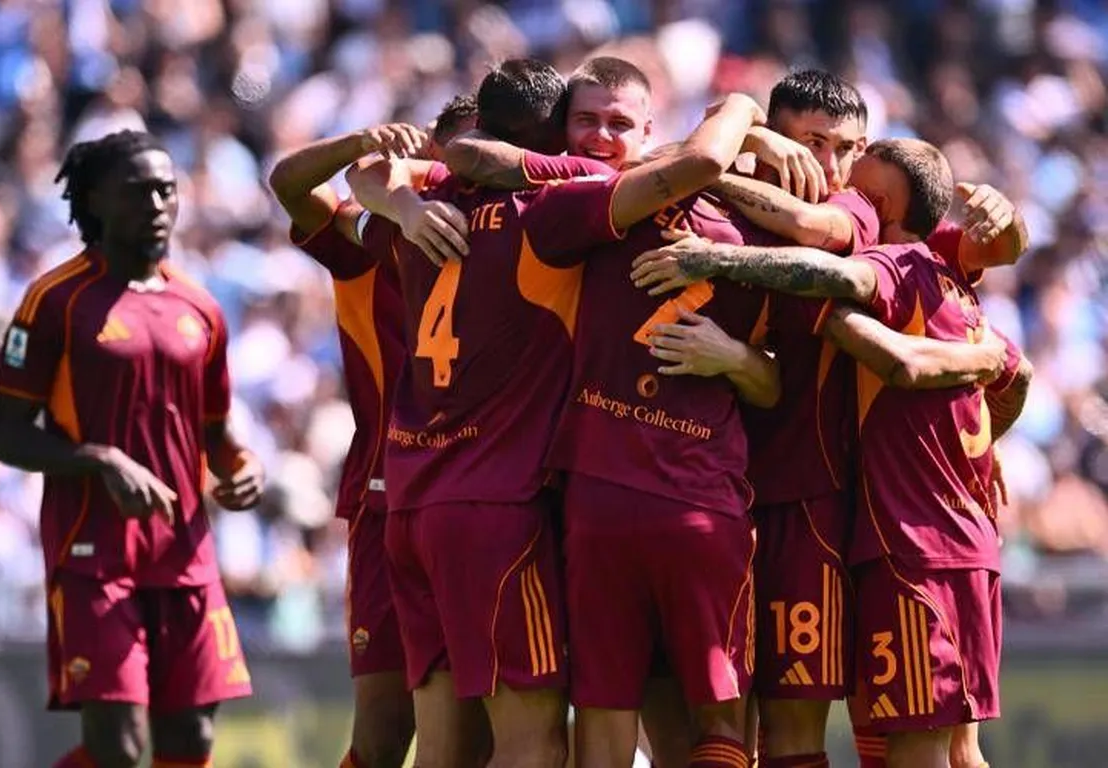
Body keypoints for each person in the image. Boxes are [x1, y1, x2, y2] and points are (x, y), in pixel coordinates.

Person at [346, 57, 766, 768]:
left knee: (448, 750)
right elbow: (695, 166)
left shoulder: (431, 195)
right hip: (499, 507)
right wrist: (743, 109)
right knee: (536, 744)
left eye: (615, 123)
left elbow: (365, 172)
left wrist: (404, 208)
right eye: (583, 122)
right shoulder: (552, 210)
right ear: (550, 138)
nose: (598, 139)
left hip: (415, 501)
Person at [631, 137, 1032, 768]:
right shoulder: (950, 278)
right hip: (948, 533)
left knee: (909, 740)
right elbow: (1017, 367)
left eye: (851, 163)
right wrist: (977, 440)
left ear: (878, 203)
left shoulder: (896, 263)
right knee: (953, 745)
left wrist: (716, 252)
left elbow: (893, 343)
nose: (833, 174)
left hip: (907, 538)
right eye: (815, 147)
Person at [0, 130, 264, 768]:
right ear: (94, 200)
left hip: (186, 553)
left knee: (191, 740)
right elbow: (6, 433)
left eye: (167, 190)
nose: (158, 204)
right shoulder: (55, 301)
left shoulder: (200, 307)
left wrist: (243, 466)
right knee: (120, 745)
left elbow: (216, 429)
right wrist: (100, 459)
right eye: (139, 191)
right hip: (94, 552)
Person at [270, 109, 473, 768]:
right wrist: (360, 145)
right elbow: (289, 185)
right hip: (387, 500)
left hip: (493, 500)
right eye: (459, 154)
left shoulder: (524, 235)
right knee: (384, 735)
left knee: (487, 735)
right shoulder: (367, 239)